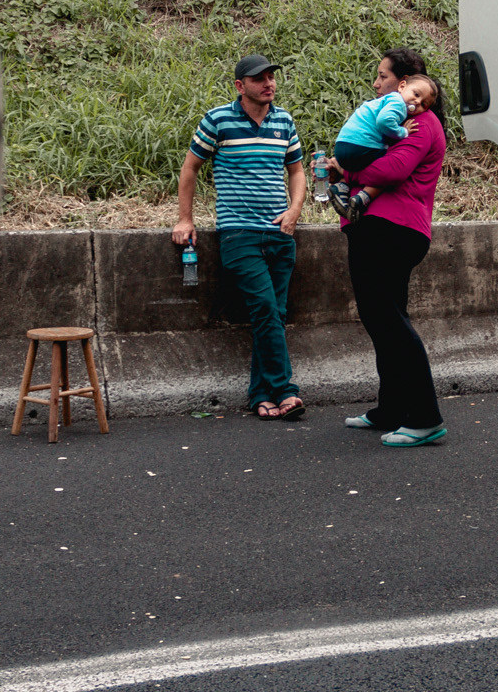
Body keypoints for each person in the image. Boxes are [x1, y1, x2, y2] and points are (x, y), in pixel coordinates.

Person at [173, 54, 309, 420]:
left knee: (274, 315)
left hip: (280, 232)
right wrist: (185, 219)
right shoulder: (219, 120)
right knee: (265, 309)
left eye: (271, 77)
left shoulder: (284, 120)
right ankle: (286, 390)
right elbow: (190, 168)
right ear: (240, 86)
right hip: (239, 233)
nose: (269, 84)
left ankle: (260, 396)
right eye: (259, 79)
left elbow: (296, 172)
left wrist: (295, 209)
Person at [325, 49, 448, 447]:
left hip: (393, 230)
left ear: (403, 82)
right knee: (384, 320)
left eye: (382, 77)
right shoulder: (401, 121)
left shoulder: (422, 124)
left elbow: (394, 170)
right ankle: (391, 409)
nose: (376, 84)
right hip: (383, 228)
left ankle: (426, 417)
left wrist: (348, 171)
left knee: (387, 320)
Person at [328, 76, 439, 221]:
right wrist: (402, 132)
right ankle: (365, 195)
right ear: (402, 86)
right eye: (416, 94)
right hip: (361, 145)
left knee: (364, 163)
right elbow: (383, 121)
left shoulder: (384, 101)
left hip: (344, 143)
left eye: (423, 104)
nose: (417, 102)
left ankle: (342, 186)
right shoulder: (398, 104)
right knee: (386, 161)